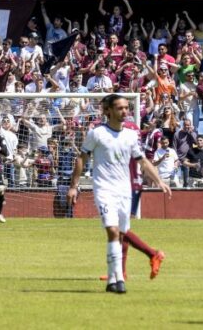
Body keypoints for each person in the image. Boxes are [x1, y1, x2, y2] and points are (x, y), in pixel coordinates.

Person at [68, 94, 171, 294]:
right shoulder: (96, 134)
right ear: (109, 111)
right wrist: (74, 185)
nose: (125, 111)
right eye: (120, 108)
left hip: (125, 190)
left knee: (121, 234)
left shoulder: (131, 136)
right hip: (104, 189)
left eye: (126, 108)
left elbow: (142, 161)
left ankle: (113, 278)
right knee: (113, 231)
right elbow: (82, 158)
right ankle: (119, 280)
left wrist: (159, 181)